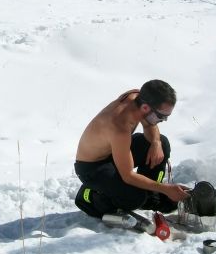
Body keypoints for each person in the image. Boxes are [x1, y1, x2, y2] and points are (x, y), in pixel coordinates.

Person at [74, 79, 189, 218]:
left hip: (115, 151)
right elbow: (128, 176)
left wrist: (156, 143)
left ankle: (150, 196)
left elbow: (149, 124)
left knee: (161, 143)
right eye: (161, 116)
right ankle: (90, 195)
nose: (164, 120)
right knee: (134, 198)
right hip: (92, 167)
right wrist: (166, 189)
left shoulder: (137, 97)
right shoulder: (119, 127)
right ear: (146, 108)